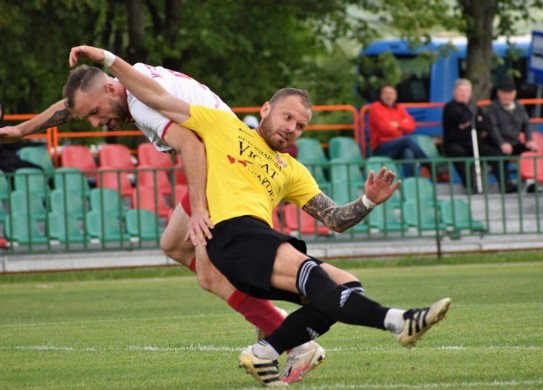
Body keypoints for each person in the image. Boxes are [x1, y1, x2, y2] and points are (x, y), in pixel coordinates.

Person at [71, 46, 452, 387]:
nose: (291, 129)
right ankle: (399, 321)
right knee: (317, 280)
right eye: (287, 117)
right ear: (265, 110)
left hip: (256, 247)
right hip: (233, 237)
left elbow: (334, 219)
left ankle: (266, 352)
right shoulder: (222, 126)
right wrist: (107, 59)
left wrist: (367, 202)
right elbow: (151, 93)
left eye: (300, 126)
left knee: (347, 285)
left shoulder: (292, 170)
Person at [0, 61, 325, 383]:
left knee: (210, 274)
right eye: (91, 117)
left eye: (96, 113)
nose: (98, 123)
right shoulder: (130, 80)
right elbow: (75, 103)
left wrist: (199, 210)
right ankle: (276, 323)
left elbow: (192, 145)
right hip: (229, 158)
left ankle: (295, 339)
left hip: (222, 164)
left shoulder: (142, 105)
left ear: (111, 88)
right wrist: (20, 130)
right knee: (173, 244)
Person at [442, 79, 517, 194]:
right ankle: (470, 184)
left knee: (495, 153)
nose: (464, 94)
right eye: (461, 91)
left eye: (466, 91)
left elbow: (486, 124)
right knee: (458, 153)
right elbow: (464, 117)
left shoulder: (474, 107)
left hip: (474, 143)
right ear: (454, 92)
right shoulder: (450, 107)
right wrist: (475, 120)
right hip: (455, 143)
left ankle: (505, 183)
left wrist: (471, 122)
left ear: (471, 93)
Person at [485, 78, 541, 193]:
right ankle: (506, 184)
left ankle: (531, 182)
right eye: (504, 93)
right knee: (498, 155)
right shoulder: (492, 108)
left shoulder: (519, 107)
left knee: (530, 151)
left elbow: (526, 123)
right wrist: (501, 143)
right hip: (496, 144)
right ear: (498, 93)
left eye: (509, 93)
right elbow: (493, 128)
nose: (506, 96)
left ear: (514, 94)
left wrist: (529, 139)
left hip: (514, 142)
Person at [368, 85, 427, 177]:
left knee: (408, 152)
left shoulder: (399, 108)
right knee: (407, 140)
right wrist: (401, 127)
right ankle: (428, 164)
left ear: (395, 96)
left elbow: (411, 126)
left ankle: (411, 183)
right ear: (381, 96)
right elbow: (385, 129)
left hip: (398, 146)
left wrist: (397, 125)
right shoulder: (375, 107)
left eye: (391, 94)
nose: (389, 96)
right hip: (381, 148)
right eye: (386, 94)